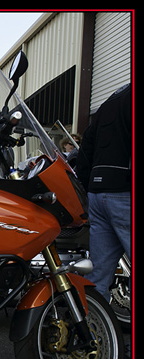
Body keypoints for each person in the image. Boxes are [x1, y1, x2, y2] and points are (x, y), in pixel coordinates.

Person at [76, 83, 132, 302]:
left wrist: (88, 185)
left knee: (98, 275)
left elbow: (85, 149)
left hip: (98, 194)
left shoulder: (112, 98)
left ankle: (91, 330)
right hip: (125, 193)